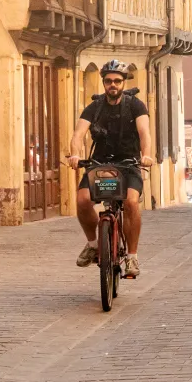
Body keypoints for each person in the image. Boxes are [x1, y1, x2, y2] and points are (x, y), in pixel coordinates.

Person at [67, 60, 154, 277]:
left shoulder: (135, 105)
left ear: (124, 82)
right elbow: (78, 135)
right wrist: (76, 154)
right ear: (103, 82)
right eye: (108, 81)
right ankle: (94, 244)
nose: (112, 85)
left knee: (131, 202)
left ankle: (132, 257)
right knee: (82, 200)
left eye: (117, 81)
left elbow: (145, 133)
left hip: (129, 164)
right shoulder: (94, 107)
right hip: (99, 164)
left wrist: (146, 155)